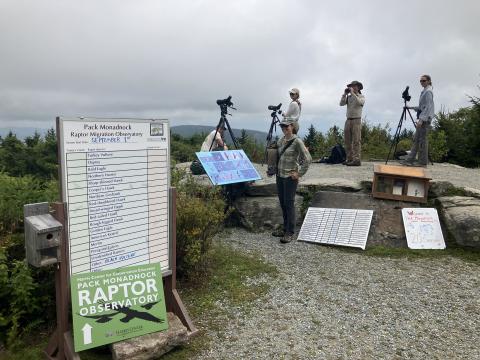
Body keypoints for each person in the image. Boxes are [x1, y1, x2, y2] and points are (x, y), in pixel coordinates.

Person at [272, 118, 312, 243]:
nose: (284, 128)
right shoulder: (281, 140)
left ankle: (289, 232)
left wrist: (299, 173)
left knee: (289, 204)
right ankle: (285, 229)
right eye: (282, 126)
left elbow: (308, 158)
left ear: (292, 127)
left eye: (287, 126)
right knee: (283, 203)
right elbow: (276, 154)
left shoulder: (297, 141)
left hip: (290, 177)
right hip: (280, 175)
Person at [402, 75, 434, 167]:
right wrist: (411, 107)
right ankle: (409, 160)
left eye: (423, 81)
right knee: (416, 139)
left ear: (428, 81)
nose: (422, 82)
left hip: (424, 119)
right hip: (423, 118)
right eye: (420, 81)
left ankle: (422, 163)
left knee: (423, 140)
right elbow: (422, 107)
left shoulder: (428, 92)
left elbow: (428, 107)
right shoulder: (425, 91)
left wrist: (421, 120)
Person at [340, 80, 365, 166]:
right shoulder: (349, 97)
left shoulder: (361, 96)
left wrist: (353, 94)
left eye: (354, 86)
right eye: (351, 86)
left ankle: (357, 160)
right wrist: (345, 94)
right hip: (348, 120)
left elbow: (360, 103)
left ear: (358, 87)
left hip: (356, 120)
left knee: (356, 141)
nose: (353, 87)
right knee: (347, 141)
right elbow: (341, 103)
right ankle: (349, 158)